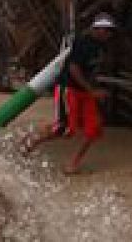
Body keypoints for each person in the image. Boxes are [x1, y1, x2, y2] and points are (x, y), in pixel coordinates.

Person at [26, 12, 116, 174]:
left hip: (85, 91)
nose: (108, 34)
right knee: (65, 129)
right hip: (69, 89)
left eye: (110, 30)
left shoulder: (101, 47)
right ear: (97, 29)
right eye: (105, 30)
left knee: (93, 129)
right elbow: (74, 69)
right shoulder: (82, 43)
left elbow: (93, 70)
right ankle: (33, 140)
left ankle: (73, 163)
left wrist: (96, 90)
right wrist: (92, 90)